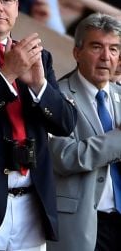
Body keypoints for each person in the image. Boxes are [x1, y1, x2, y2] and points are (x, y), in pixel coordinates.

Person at [0, 0, 77, 251]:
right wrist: (7, 74)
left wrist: (39, 84)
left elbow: (65, 124)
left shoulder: (39, 56)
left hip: (33, 206)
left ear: (17, 6)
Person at [47, 13, 121, 251]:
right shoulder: (57, 95)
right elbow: (65, 157)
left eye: (113, 49)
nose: (105, 57)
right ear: (77, 52)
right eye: (96, 46)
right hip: (83, 225)